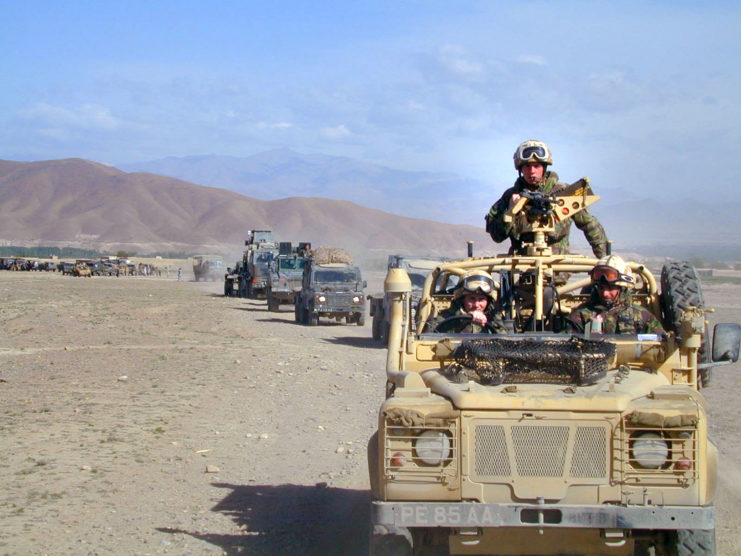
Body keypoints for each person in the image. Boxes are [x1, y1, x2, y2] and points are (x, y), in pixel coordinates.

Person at [485, 139, 608, 257]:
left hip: (557, 270)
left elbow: (590, 225)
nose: (532, 171)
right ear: (521, 168)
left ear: (544, 167)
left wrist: (606, 259)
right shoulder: (510, 196)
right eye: (527, 166)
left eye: (537, 166)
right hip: (520, 269)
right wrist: (510, 212)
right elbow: (497, 236)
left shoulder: (564, 192)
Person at [567, 255, 665, 335]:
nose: (605, 293)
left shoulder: (641, 316)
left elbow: (659, 346)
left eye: (610, 288)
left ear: (622, 288)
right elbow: (566, 347)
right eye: (601, 288)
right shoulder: (581, 315)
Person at [429, 270, 505, 333]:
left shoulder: (495, 319)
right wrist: (464, 321)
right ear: (462, 299)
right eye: (472, 298)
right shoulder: (445, 318)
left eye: (481, 299)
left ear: (488, 301)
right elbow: (428, 337)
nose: (476, 305)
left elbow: (507, 343)